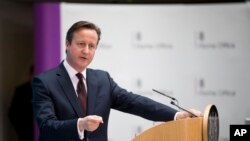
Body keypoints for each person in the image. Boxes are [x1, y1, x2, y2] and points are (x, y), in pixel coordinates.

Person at [32, 21, 202, 141]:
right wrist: (80, 124)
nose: (86, 50)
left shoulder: (102, 79)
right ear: (67, 44)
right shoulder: (45, 82)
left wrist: (177, 115)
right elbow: (47, 127)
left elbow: (136, 103)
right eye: (81, 44)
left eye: (92, 46)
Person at [9, 65, 34, 141]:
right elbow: (12, 113)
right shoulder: (20, 91)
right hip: (25, 135)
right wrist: (21, 131)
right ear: (30, 76)